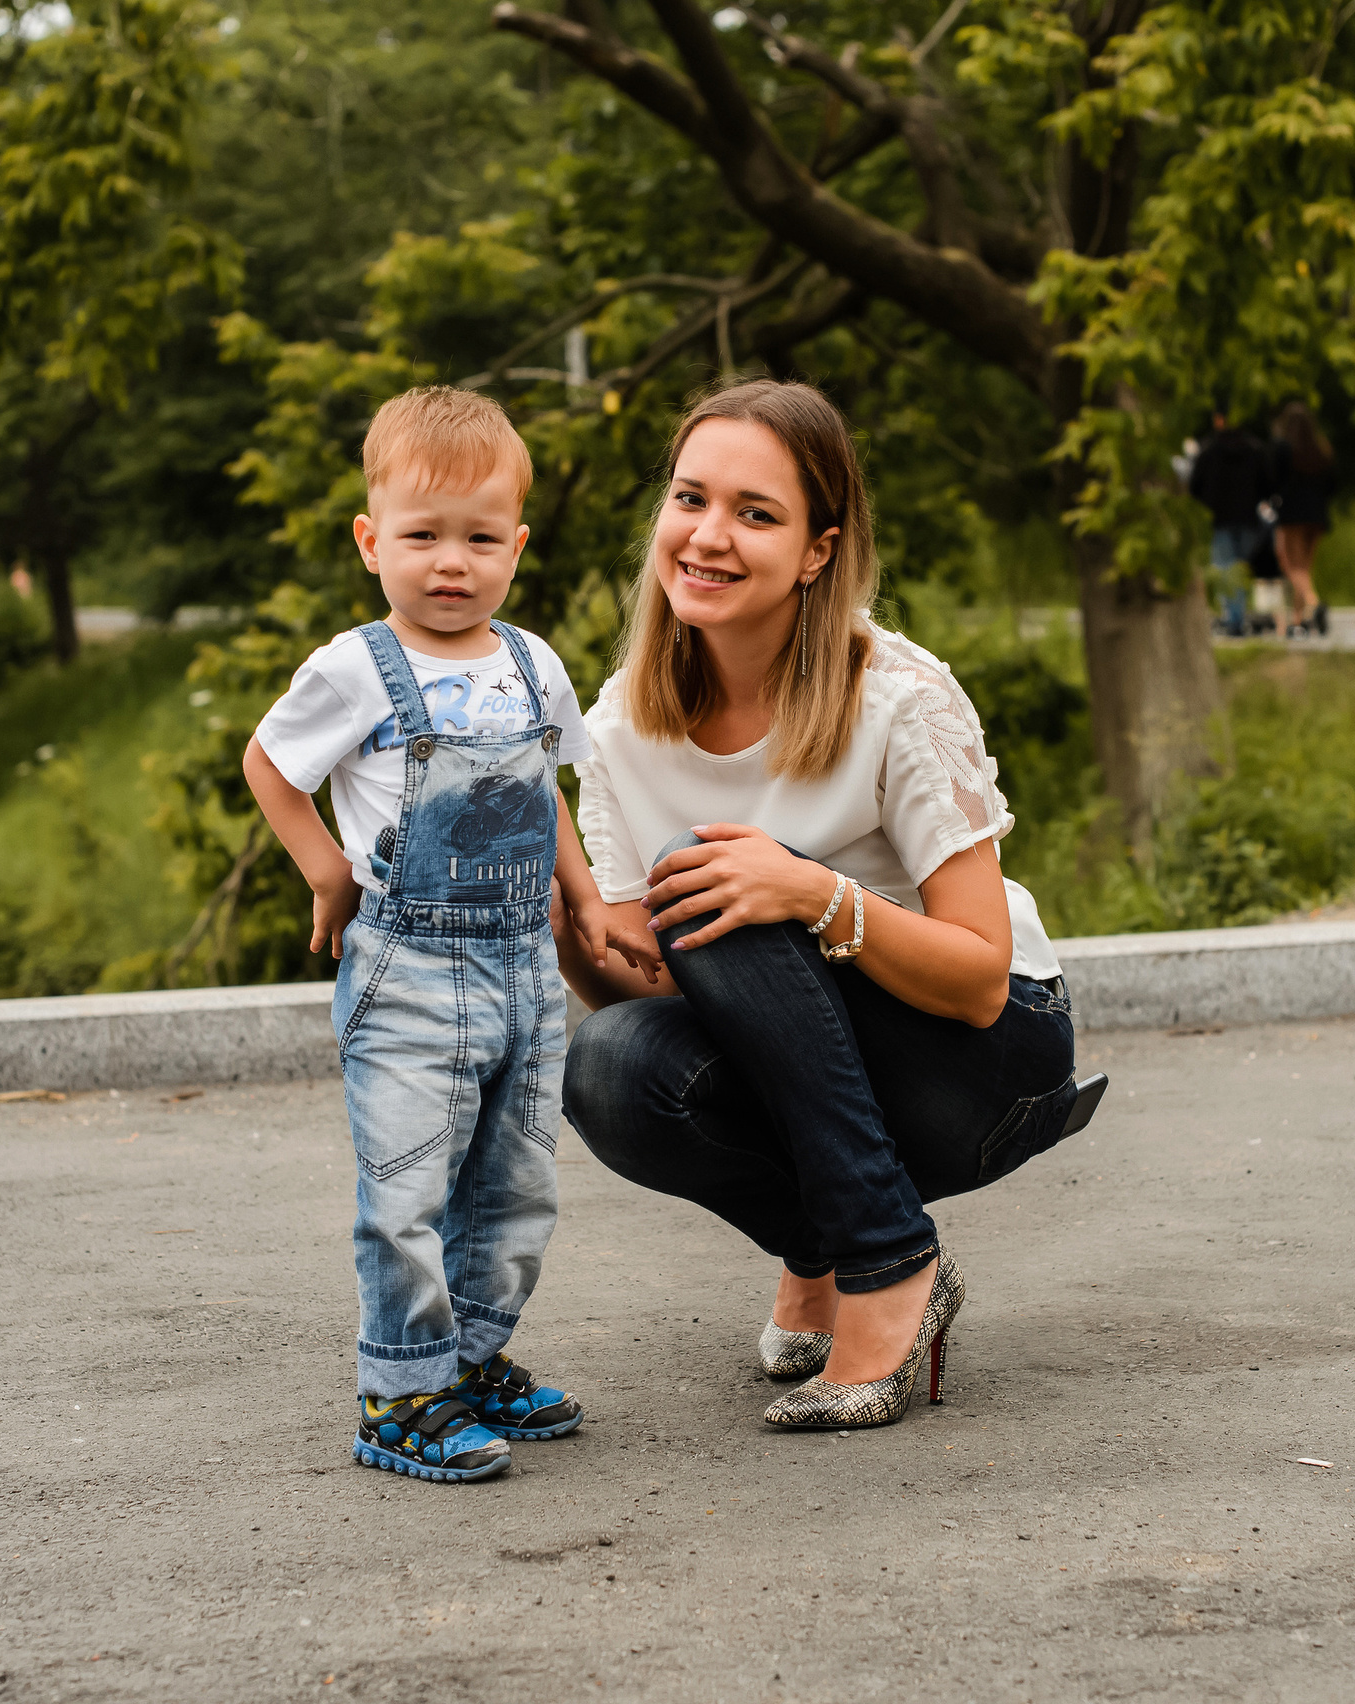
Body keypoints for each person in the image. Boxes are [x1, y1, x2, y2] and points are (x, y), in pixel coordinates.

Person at [557, 379, 1107, 1434]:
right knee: (612, 1069)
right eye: (690, 499)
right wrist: (563, 917)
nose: (707, 536)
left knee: (718, 872)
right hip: (808, 1073)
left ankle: (885, 1266)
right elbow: (657, 998)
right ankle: (835, 1243)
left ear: (818, 550)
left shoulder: (897, 695)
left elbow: (980, 980)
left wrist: (811, 891)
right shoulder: (620, 724)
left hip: (982, 1063)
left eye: (755, 514)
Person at [242, 387, 656, 1483]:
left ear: (515, 546)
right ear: (371, 540)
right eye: (422, 536)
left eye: (479, 539)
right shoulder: (354, 667)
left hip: (524, 966)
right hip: (409, 969)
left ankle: (468, 1359)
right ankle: (400, 1391)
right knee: (408, 1186)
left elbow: (542, 793)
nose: (450, 563)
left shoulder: (531, 664)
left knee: (515, 1186)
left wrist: (587, 902)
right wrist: (326, 870)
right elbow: (269, 766)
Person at [1187, 410, 1275, 635]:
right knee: (1240, 568)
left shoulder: (1209, 450)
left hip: (1218, 518)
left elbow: (1194, 485)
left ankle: (1233, 618)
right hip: (1248, 518)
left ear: (1219, 420)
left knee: (1225, 567)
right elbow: (1268, 484)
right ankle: (1238, 615)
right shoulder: (1254, 448)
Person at [1268, 402, 1337, 636]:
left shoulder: (1284, 448)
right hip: (1317, 515)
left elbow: (1274, 481)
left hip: (1293, 514)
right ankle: (1298, 619)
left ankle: (1313, 602)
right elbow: (1333, 484)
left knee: (1290, 563)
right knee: (1305, 568)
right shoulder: (1321, 448)